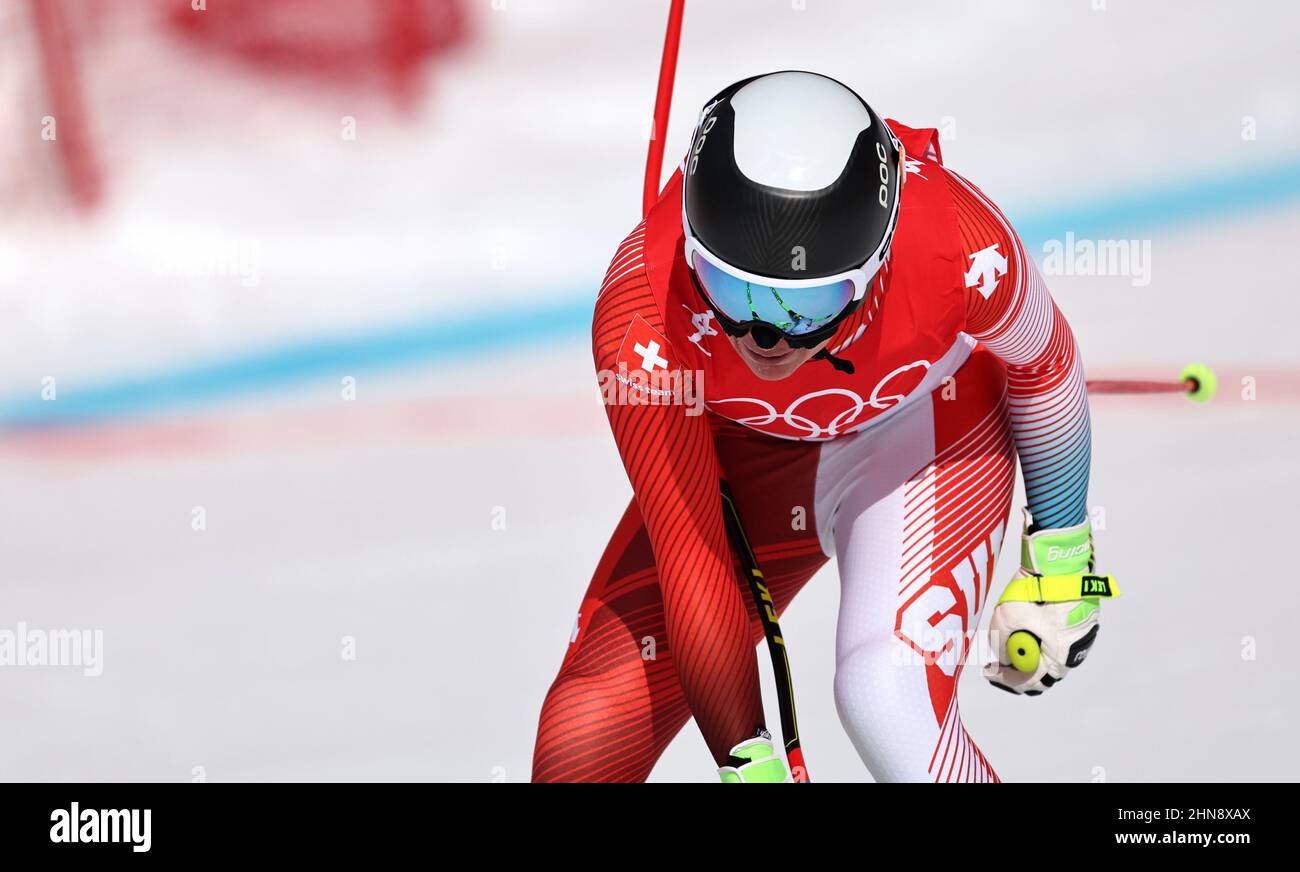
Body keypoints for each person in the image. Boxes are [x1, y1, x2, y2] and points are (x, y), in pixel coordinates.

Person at [532, 71, 1111, 783]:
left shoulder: (957, 244)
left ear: (875, 268)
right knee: (580, 741)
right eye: (730, 288)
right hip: (751, 456)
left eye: (807, 306)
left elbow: (1044, 366)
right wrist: (751, 767)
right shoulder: (641, 313)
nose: (765, 336)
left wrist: (1062, 565)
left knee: (884, 697)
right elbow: (694, 556)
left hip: (924, 427)